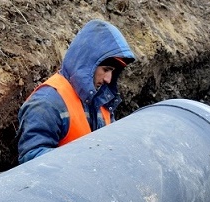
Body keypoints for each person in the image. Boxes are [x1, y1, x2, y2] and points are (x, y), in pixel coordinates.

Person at [16, 19, 135, 164]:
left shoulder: (101, 99)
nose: (108, 79)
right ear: (89, 64)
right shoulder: (46, 102)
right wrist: (83, 160)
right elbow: (31, 159)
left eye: (112, 72)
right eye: (105, 70)